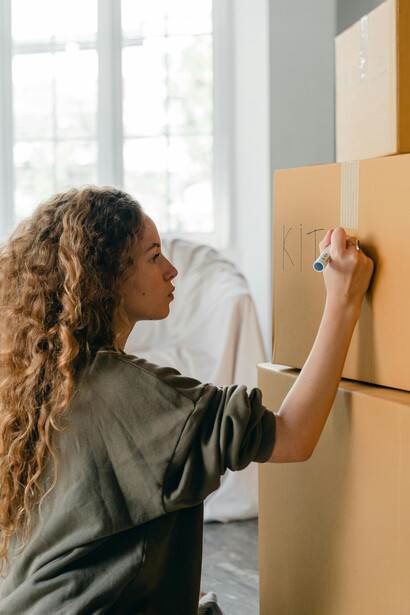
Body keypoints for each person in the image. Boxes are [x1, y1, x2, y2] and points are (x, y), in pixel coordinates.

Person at [0, 186, 373, 614]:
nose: (172, 270)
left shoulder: (43, 381)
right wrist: (343, 301)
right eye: (154, 256)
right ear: (107, 277)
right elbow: (293, 435)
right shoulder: (131, 393)